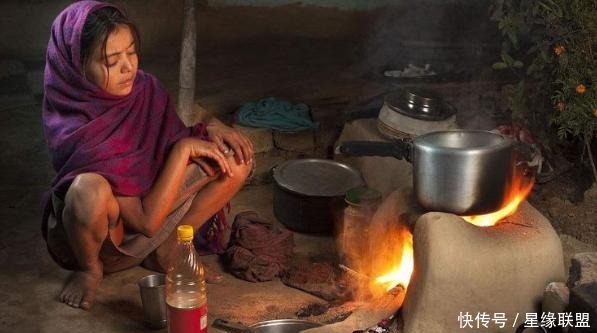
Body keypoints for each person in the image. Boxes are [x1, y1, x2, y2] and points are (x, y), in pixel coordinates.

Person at [41, 1, 254, 310]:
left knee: (234, 158)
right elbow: (146, 221)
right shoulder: (77, 123)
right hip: (108, 242)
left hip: (153, 213)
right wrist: (184, 150)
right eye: (112, 60)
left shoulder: (144, 88)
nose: (129, 67)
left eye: (131, 52)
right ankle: (89, 270)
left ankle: (170, 248)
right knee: (88, 190)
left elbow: (174, 135)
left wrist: (210, 127)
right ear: (76, 66)